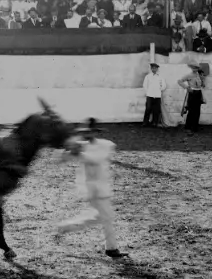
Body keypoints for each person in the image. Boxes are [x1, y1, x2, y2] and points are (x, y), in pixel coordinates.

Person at [52, 118, 127, 259]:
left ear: (96, 132)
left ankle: (66, 227)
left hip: (103, 187)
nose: (87, 134)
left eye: (90, 131)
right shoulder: (80, 146)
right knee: (106, 218)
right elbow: (58, 159)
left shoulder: (105, 145)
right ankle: (111, 249)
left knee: (100, 217)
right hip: (91, 190)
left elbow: (96, 159)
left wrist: (77, 152)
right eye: (85, 131)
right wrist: (66, 149)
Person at [178, 63, 207, 133]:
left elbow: (202, 85)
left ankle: (194, 127)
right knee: (191, 111)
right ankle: (188, 127)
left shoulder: (199, 75)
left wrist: (203, 82)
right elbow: (179, 81)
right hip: (192, 93)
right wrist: (187, 87)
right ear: (191, 68)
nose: (195, 69)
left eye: (196, 68)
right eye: (193, 68)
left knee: (197, 111)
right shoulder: (189, 75)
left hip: (199, 93)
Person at [141, 62, 166, 127]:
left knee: (156, 109)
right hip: (150, 95)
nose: (154, 69)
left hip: (157, 96)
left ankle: (155, 122)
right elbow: (145, 85)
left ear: (157, 69)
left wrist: (159, 89)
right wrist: (148, 92)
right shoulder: (148, 76)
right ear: (151, 69)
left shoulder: (160, 77)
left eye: (155, 68)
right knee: (148, 109)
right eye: (152, 68)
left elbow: (164, 85)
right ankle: (145, 122)